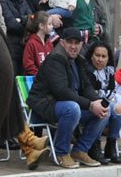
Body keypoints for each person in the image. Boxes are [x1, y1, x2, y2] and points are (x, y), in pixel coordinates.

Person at [28, 27, 110, 169]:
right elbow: (61, 92)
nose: (73, 46)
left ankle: (80, 150)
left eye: (77, 43)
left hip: (64, 107)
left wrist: (97, 101)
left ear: (81, 44)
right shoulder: (55, 59)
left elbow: (86, 87)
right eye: (70, 42)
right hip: (44, 107)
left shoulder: (78, 60)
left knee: (104, 111)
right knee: (73, 108)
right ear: (62, 42)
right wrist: (90, 105)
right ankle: (61, 152)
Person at [85, 41, 121, 164]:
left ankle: (111, 146)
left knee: (118, 109)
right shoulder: (88, 70)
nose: (100, 59)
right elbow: (92, 93)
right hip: (90, 104)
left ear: (108, 58)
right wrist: (105, 96)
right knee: (109, 108)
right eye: (97, 55)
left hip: (105, 102)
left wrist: (105, 95)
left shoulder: (109, 71)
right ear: (92, 56)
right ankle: (95, 145)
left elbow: (111, 90)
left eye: (103, 56)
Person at [0, 0, 34, 76]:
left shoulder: (24, 2)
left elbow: (33, 21)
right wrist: (25, 20)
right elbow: (11, 25)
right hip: (10, 51)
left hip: (25, 52)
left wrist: (21, 20)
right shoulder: (1, 1)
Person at [22, 11, 53, 76]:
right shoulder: (31, 43)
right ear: (41, 26)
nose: (52, 26)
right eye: (49, 24)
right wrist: (39, 75)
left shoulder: (49, 43)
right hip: (36, 81)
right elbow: (28, 64)